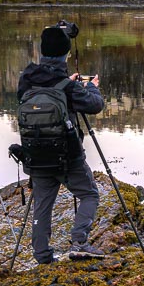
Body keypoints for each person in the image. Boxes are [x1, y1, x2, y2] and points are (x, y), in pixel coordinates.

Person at [17, 25, 106, 264]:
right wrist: (90, 88)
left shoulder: (26, 78)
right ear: (67, 54)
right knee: (89, 194)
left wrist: (68, 84)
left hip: (35, 153)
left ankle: (42, 255)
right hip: (67, 156)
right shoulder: (67, 85)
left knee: (42, 205)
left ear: (42, 50)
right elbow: (94, 105)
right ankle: (79, 242)